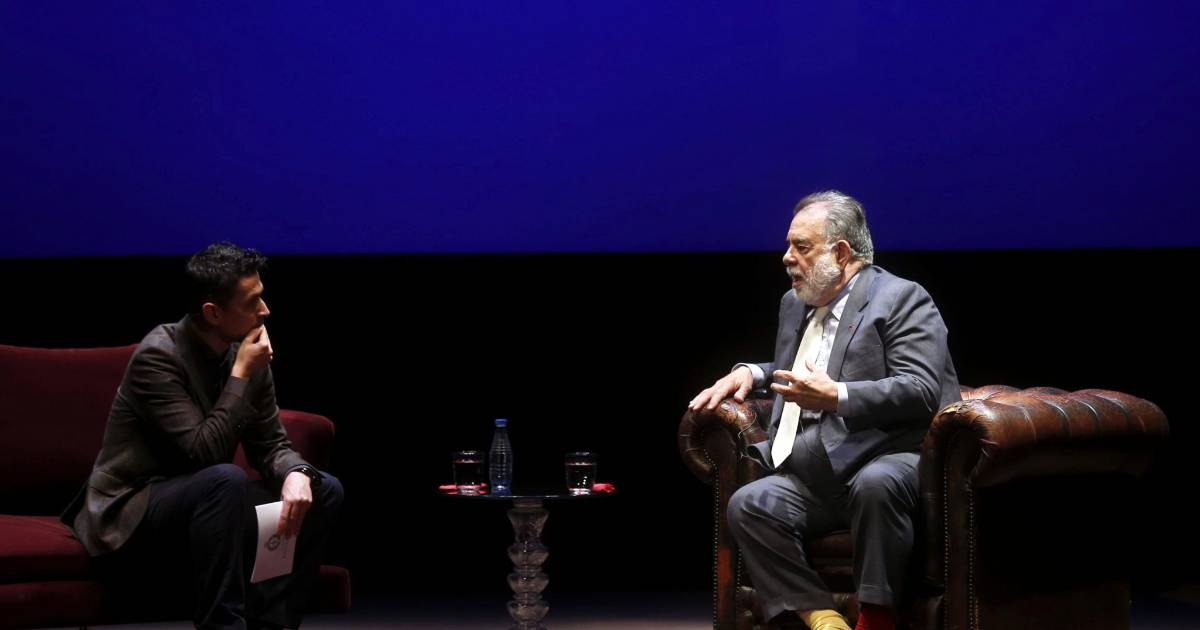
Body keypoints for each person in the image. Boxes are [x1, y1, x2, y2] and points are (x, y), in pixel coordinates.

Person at [688, 191, 959, 630]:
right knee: (749, 504)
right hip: (819, 471)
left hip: (889, 455)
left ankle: (876, 618)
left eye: (801, 246)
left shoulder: (902, 298)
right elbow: (802, 365)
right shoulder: (794, 303)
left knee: (876, 484)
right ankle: (823, 618)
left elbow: (922, 388)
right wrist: (753, 373)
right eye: (788, 245)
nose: (786, 258)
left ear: (841, 253)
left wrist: (837, 397)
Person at [61, 242, 343, 630]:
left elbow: (270, 444)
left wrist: (297, 472)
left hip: (209, 498)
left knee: (323, 489)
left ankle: (271, 623)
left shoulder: (245, 351)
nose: (265, 310)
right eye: (253, 302)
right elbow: (202, 452)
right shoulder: (159, 356)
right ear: (212, 313)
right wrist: (240, 375)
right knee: (224, 479)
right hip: (134, 504)